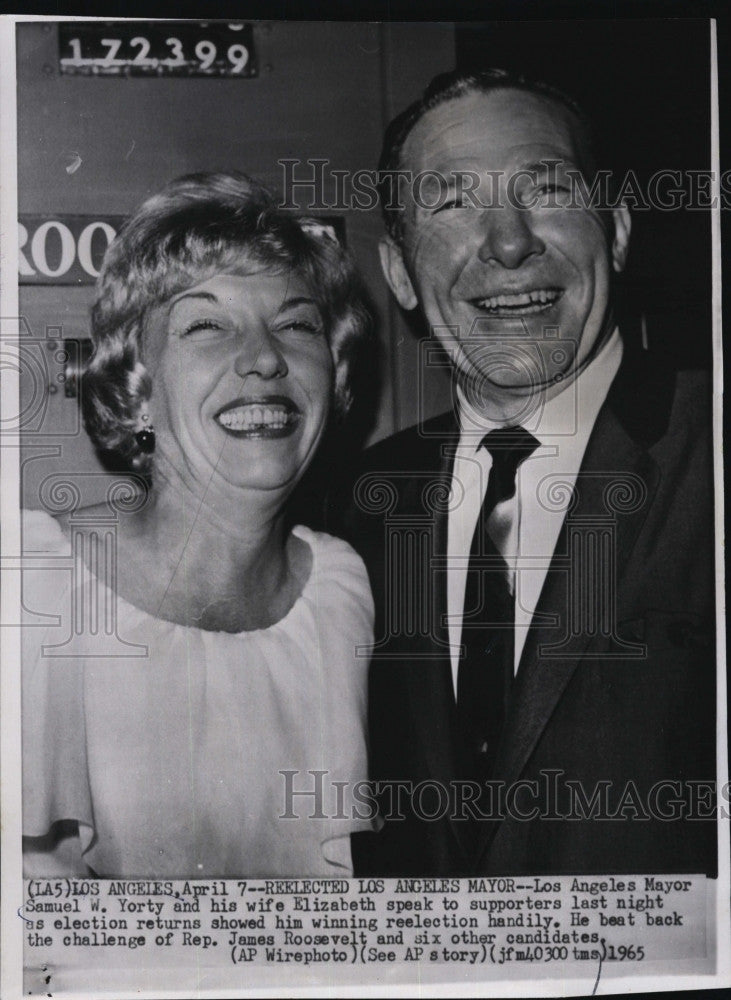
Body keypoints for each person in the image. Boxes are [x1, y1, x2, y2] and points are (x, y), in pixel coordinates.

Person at [333, 69, 716, 875]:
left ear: (613, 229)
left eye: (545, 190)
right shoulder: (356, 508)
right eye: (450, 204)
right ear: (399, 273)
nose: (508, 242)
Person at [22, 171, 376, 878]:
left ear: (332, 375)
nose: (265, 358)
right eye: (206, 325)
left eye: (297, 323)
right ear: (136, 384)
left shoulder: (341, 590)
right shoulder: (37, 584)